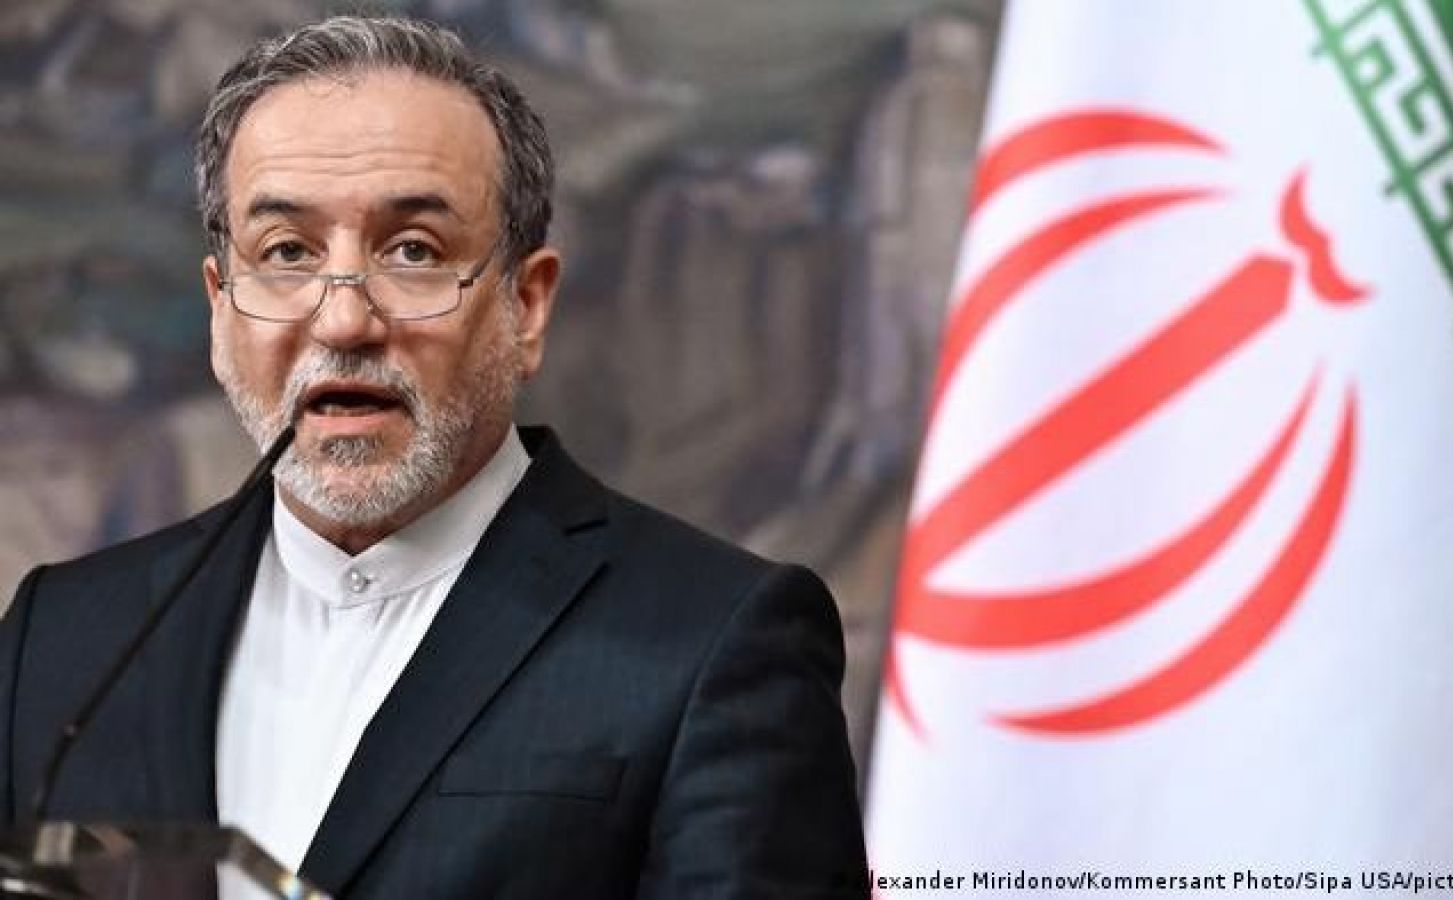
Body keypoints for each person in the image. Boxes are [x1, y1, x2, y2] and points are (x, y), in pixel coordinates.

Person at [0, 15, 868, 899]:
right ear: (222, 310)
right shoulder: (64, 637)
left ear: (526, 306)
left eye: (413, 251)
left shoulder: (713, 640)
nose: (344, 321)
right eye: (287, 252)